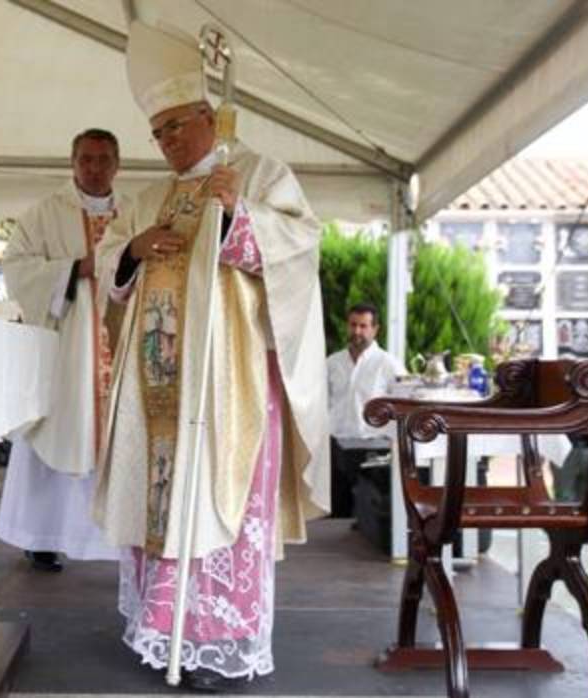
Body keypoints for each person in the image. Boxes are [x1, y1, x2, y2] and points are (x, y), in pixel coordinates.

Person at [94, 21, 329, 691]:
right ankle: (157, 628)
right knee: (161, 502)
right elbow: (112, 256)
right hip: (157, 390)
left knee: (219, 507)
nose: (166, 142)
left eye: (175, 127)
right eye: (157, 133)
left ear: (207, 116)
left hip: (231, 389)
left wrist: (238, 215)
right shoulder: (145, 195)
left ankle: (215, 639)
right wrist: (134, 250)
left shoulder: (258, 173)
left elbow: (300, 248)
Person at [0, 128, 128, 571]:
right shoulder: (46, 214)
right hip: (67, 347)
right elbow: (15, 266)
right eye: (86, 159)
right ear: (72, 163)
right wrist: (76, 270)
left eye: (104, 159)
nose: (95, 168)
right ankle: (42, 535)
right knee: (55, 435)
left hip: (119, 345)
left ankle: (116, 538)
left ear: (117, 164)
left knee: (116, 437)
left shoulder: (133, 213)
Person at [326, 303, 404, 517]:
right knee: (337, 514)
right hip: (337, 447)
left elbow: (402, 406)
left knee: (370, 514)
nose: (357, 331)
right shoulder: (332, 362)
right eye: (353, 325)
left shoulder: (388, 364)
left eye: (363, 326)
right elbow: (322, 403)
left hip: (373, 447)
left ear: (375, 329)